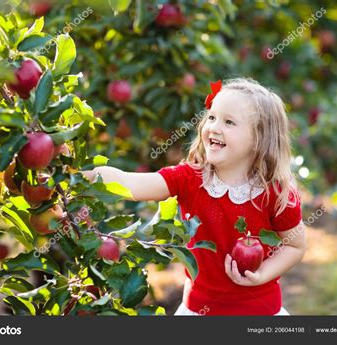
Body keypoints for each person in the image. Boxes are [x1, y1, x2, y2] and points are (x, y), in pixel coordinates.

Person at [82, 77, 305, 315]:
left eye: (229, 122)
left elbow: (294, 245)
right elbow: (132, 184)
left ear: (259, 139)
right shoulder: (190, 179)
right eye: (211, 117)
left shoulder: (275, 192)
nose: (214, 127)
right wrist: (85, 174)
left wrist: (261, 274)